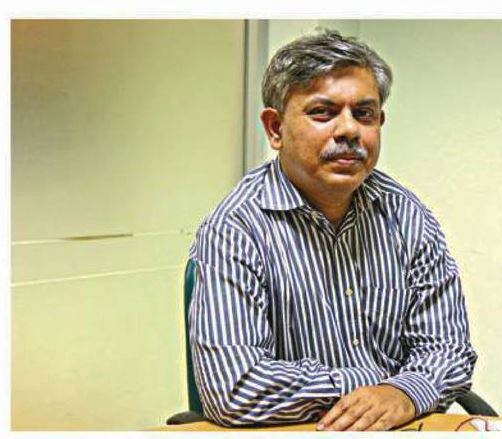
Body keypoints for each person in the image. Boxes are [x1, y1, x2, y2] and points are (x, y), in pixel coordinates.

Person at [188, 29, 477, 432]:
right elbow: (234, 389)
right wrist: (378, 386)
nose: (349, 131)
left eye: (364, 114)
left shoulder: (406, 215)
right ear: (275, 128)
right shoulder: (234, 229)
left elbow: (450, 351)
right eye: (323, 112)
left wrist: (404, 393)